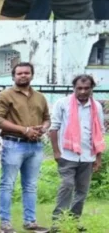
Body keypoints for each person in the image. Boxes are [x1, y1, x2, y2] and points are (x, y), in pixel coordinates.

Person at [0, 63, 50, 233]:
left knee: (31, 185)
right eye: (19, 73)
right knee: (7, 184)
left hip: (36, 146)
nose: (23, 75)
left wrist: (43, 128)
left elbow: (47, 118)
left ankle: (30, 221)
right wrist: (24, 130)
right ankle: (5, 223)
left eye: (26, 73)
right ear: (13, 76)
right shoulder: (5, 95)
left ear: (32, 75)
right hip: (13, 145)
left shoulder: (40, 97)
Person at [50, 74, 105, 227]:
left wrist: (98, 157)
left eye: (86, 88)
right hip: (67, 155)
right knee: (66, 185)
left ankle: (73, 221)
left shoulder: (97, 107)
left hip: (88, 156)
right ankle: (58, 222)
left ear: (91, 88)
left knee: (82, 191)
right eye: (79, 88)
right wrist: (56, 152)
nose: (82, 91)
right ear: (74, 88)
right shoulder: (62, 103)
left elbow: (99, 132)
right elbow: (53, 129)